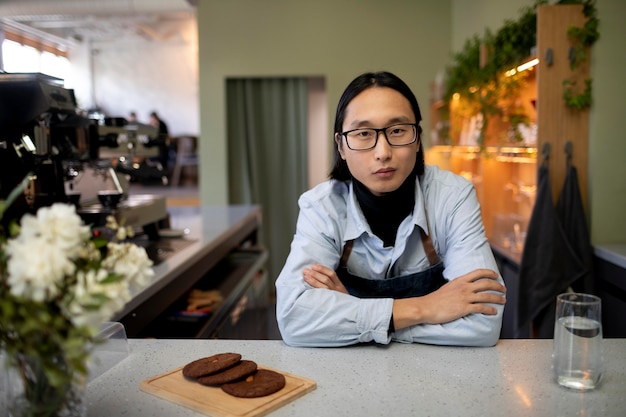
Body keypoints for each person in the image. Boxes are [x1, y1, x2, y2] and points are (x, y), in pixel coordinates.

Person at [275, 71, 506, 348]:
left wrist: (352, 314)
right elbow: (293, 319)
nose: (383, 152)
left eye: (397, 131)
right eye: (363, 133)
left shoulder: (452, 197)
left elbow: (484, 323)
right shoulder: (321, 207)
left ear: (417, 138)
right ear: (341, 146)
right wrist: (425, 308)